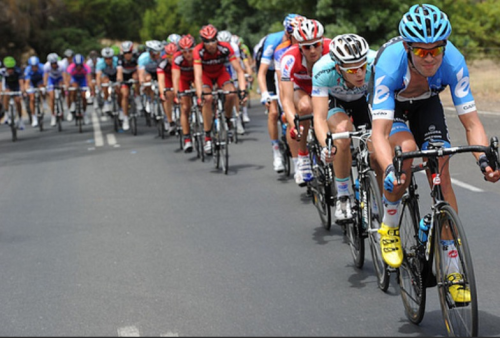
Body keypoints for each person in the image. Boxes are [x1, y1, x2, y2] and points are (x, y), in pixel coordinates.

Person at [370, 4, 500, 303]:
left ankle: (453, 269)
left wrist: (484, 159)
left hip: (427, 105)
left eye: (436, 50)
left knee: (441, 165)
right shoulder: (390, 65)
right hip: (394, 109)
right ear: (407, 47)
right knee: (407, 153)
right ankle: (389, 227)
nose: (430, 58)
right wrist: (390, 169)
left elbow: (472, 122)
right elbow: (379, 132)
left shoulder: (453, 62)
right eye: (421, 52)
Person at [312, 34, 379, 220]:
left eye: (361, 67)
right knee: (342, 133)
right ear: (337, 68)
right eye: (351, 70)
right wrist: (326, 146)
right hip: (336, 101)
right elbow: (318, 117)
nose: (358, 73)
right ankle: (343, 196)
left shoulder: (376, 62)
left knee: (376, 145)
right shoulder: (322, 69)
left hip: (363, 100)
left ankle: (374, 192)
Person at [279, 19, 331, 187]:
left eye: (316, 45)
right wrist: (294, 125)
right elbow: (286, 99)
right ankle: (302, 156)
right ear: (299, 46)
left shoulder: (333, 50)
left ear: (322, 40)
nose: (313, 50)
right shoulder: (289, 58)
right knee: (305, 107)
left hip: (325, 87)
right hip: (300, 88)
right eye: (307, 47)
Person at [193, 24, 248, 155]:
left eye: (213, 40)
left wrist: (242, 89)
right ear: (202, 41)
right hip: (206, 76)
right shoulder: (198, 51)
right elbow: (198, 75)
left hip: (220, 73)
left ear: (217, 39)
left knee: (230, 94)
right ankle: (207, 138)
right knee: (208, 98)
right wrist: (200, 94)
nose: (211, 44)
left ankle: (227, 121)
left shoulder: (225, 47)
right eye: (207, 41)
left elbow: (239, 70)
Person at [257, 13, 298, 174]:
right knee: (274, 112)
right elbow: (261, 73)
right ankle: (276, 150)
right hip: (270, 72)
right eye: (291, 33)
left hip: (290, 72)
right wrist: (265, 93)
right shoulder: (273, 42)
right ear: (286, 31)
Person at [171, 34, 196, 153]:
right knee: (185, 108)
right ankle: (187, 138)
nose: (188, 54)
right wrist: (177, 94)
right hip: (183, 79)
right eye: (184, 52)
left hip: (197, 77)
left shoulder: (198, 55)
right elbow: (175, 78)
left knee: (205, 100)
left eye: (190, 51)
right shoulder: (177, 59)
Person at [117, 40, 141, 131]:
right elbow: (119, 72)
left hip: (133, 74)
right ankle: (125, 117)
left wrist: (139, 80)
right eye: (125, 53)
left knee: (136, 77)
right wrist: (120, 81)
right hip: (124, 76)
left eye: (129, 52)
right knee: (125, 95)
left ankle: (137, 96)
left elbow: (139, 69)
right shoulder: (120, 58)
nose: (128, 55)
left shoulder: (136, 57)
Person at [65, 53, 95, 124]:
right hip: (74, 79)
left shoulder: (86, 67)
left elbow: (89, 80)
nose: (78, 67)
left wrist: (90, 88)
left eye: (80, 65)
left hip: (83, 80)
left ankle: (84, 114)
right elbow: (68, 79)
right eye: (77, 65)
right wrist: (67, 86)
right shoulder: (70, 67)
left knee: (84, 97)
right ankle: (72, 104)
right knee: (73, 88)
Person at [157, 41, 178, 135]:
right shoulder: (162, 63)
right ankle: (170, 122)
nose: (171, 58)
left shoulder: (180, 60)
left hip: (179, 78)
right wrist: (162, 93)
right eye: (169, 56)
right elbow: (161, 81)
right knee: (167, 94)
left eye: (173, 55)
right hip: (168, 79)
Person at [1, 56, 24, 129]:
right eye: (9, 69)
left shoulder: (18, 71)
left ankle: (20, 119)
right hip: (7, 86)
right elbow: (1, 83)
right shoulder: (2, 72)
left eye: (12, 68)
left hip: (16, 86)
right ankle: (7, 114)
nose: (10, 70)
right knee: (6, 95)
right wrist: (1, 91)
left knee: (18, 101)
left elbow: (21, 82)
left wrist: (22, 90)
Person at [43, 53, 66, 126]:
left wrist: (65, 85)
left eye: (55, 63)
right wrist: (45, 86)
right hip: (51, 79)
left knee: (62, 88)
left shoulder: (62, 65)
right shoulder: (46, 66)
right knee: (52, 97)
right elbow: (45, 77)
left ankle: (63, 101)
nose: (54, 65)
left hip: (59, 78)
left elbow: (64, 76)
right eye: (52, 64)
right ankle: (53, 115)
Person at [95, 47, 120, 116]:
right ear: (103, 58)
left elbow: (120, 72)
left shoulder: (117, 60)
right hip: (106, 76)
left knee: (119, 90)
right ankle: (106, 102)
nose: (108, 60)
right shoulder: (100, 63)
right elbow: (98, 76)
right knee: (105, 83)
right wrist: (99, 85)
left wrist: (119, 81)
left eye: (110, 58)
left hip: (115, 75)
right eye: (106, 58)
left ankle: (120, 106)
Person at [23, 56, 46, 128]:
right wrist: (26, 90)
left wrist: (44, 87)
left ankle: (44, 101)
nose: (34, 68)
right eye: (33, 66)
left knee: (41, 88)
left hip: (40, 81)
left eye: (36, 66)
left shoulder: (42, 67)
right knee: (32, 98)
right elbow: (27, 82)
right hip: (32, 82)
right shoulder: (27, 70)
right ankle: (34, 117)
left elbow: (45, 78)